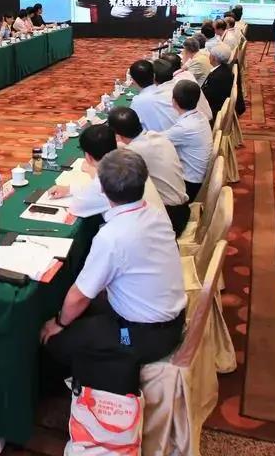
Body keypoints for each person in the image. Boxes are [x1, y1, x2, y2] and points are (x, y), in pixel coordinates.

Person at [40, 150, 185, 396]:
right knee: (83, 315)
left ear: (102, 190)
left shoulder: (113, 237)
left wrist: (59, 323)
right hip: (168, 316)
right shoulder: (155, 213)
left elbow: (79, 296)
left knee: (56, 340)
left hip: (143, 334)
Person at [107, 107, 190, 235]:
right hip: (182, 208)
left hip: (168, 219)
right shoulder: (157, 136)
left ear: (117, 135)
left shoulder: (132, 153)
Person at [45, 124, 124, 218]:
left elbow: (76, 208)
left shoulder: (101, 184)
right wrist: (69, 189)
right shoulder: (128, 163)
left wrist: (92, 171)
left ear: (88, 157)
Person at [161, 81, 213, 202]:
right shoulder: (201, 116)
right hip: (198, 176)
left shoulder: (185, 127)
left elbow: (155, 141)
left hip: (190, 185)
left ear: (173, 102)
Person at [129, 60, 169, 132]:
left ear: (133, 81)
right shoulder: (167, 92)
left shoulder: (137, 102)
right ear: (154, 76)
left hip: (154, 137)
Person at [200, 45, 235, 118]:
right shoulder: (225, 69)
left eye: (210, 54)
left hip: (211, 111)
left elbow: (207, 98)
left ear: (214, 58)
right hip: (217, 104)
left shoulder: (217, 77)